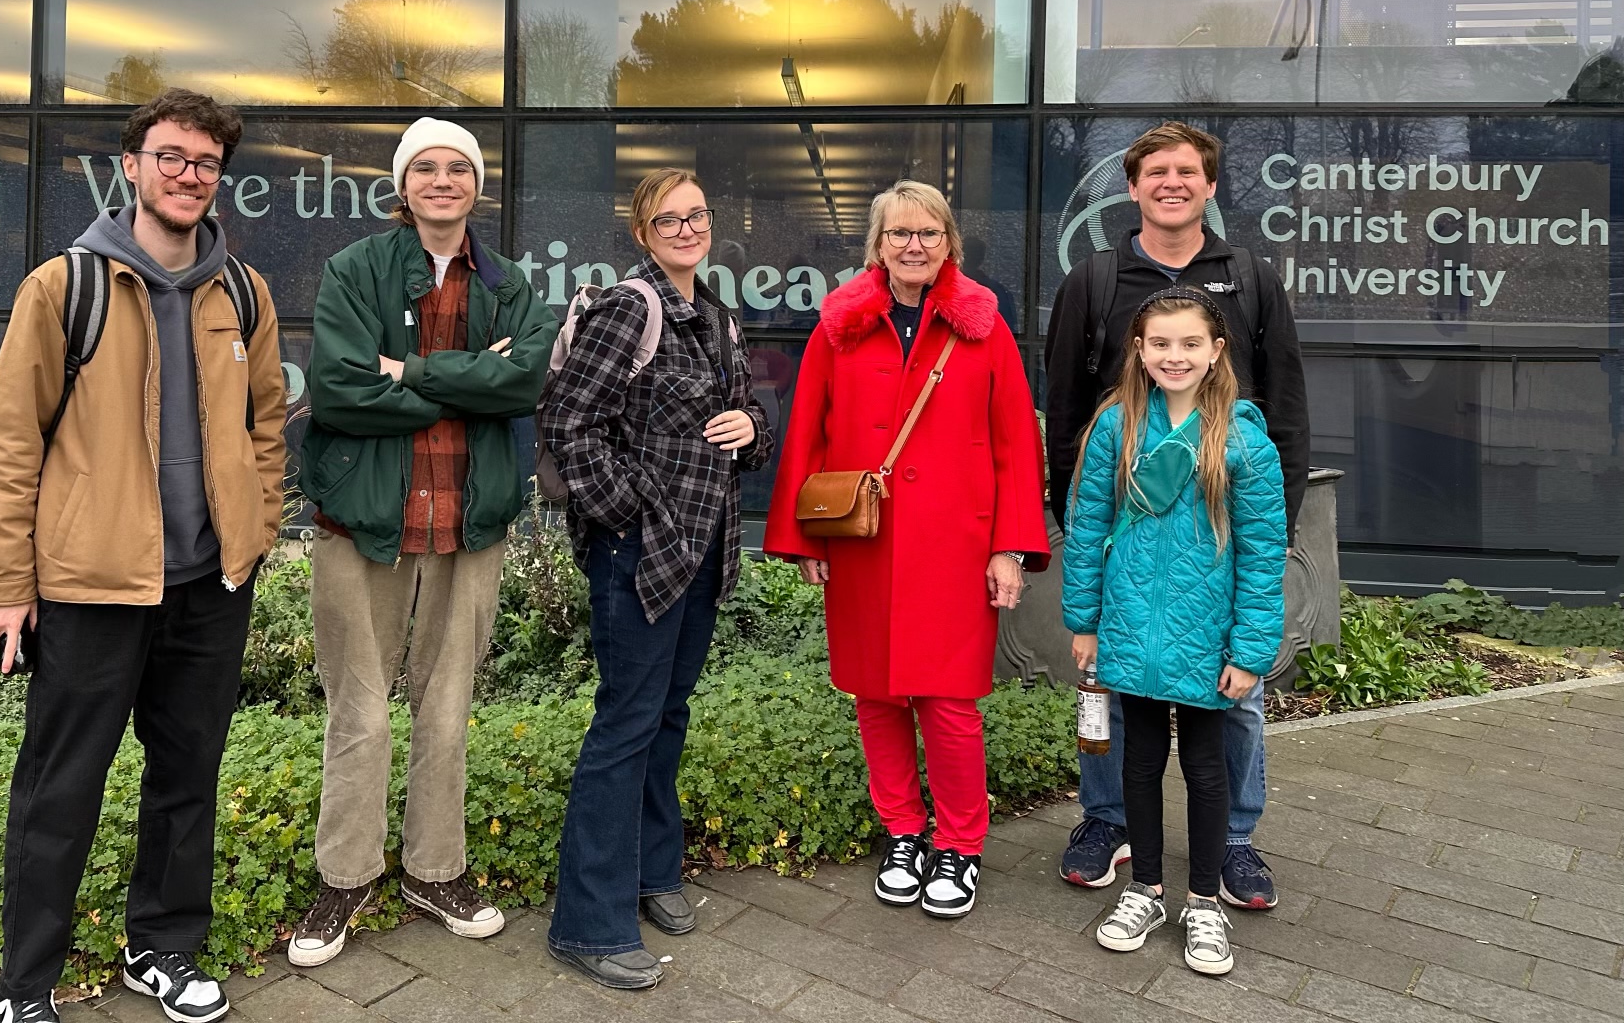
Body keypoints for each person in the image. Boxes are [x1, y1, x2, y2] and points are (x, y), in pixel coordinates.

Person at [0, 89, 291, 1023]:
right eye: (172, 157)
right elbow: (7, 446)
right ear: (134, 165)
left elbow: (267, 423)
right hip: (92, 589)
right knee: (60, 789)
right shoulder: (64, 289)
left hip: (208, 586)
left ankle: (163, 949)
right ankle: (25, 987)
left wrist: (256, 529)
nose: (190, 175)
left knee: (188, 779)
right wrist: (5, 584)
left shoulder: (243, 291)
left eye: (206, 163)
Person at [287, 118, 557, 968]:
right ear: (403, 187)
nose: (444, 181)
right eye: (427, 169)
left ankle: (435, 870)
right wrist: (469, 383)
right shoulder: (356, 269)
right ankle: (346, 875)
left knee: (447, 707)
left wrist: (407, 372)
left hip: (467, 523)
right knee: (358, 709)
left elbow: (527, 379)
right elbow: (335, 390)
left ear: (478, 187)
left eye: (460, 169)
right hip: (364, 524)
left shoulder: (510, 283)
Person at [764, 180, 1049, 920]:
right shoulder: (841, 325)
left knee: (951, 704)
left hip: (958, 545)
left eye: (927, 234)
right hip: (864, 541)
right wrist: (803, 538)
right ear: (877, 245)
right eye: (899, 234)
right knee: (876, 696)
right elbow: (807, 432)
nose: (913, 246)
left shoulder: (983, 327)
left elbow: (1018, 441)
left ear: (949, 242)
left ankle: (960, 844)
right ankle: (903, 831)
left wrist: (1010, 548)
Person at [1042, 121, 1307, 909]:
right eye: (1155, 171)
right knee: (1111, 694)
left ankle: (1233, 841)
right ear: (1132, 187)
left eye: (1187, 171)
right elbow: (1064, 414)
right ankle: (1107, 821)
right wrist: (1080, 536)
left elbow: (1285, 403)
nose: (1171, 182)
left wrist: (1273, 529)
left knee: (1235, 702)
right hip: (1125, 540)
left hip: (1221, 539)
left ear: (1210, 185)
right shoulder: (1094, 280)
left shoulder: (1250, 277)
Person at [538, 169, 775, 990]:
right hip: (639, 553)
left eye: (698, 216)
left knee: (665, 716)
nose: (686, 229)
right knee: (626, 725)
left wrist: (755, 425)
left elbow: (747, 422)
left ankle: (652, 871)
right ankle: (587, 923)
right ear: (642, 233)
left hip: (703, 552)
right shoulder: (624, 310)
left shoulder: (717, 318)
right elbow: (568, 421)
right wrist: (630, 513)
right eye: (667, 220)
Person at [1064, 287, 1287, 978]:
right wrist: (1085, 621)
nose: (1175, 355)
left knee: (1206, 768)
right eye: (1160, 343)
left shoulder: (1244, 438)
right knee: (1135, 763)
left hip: (1207, 637)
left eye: (1191, 343)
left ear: (1217, 352)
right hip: (1130, 626)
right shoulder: (1115, 427)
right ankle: (1146, 890)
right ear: (1139, 350)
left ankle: (1203, 902)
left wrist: (1250, 651)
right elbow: (1087, 529)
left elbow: (1262, 553)